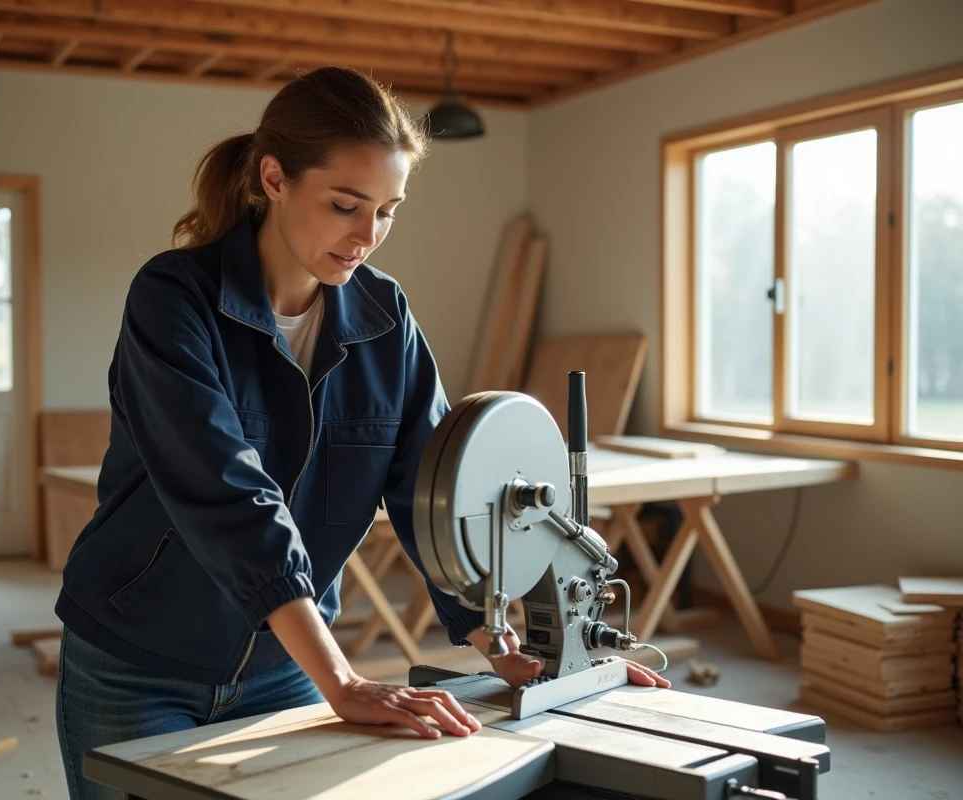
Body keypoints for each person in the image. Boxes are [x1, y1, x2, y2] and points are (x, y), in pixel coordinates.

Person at [53, 65, 669, 800]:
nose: (366, 236)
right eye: (345, 205)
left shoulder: (383, 317)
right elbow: (228, 493)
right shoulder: (174, 300)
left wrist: (497, 642)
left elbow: (434, 489)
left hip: (282, 668)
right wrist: (343, 682)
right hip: (138, 659)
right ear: (275, 178)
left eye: (388, 211)